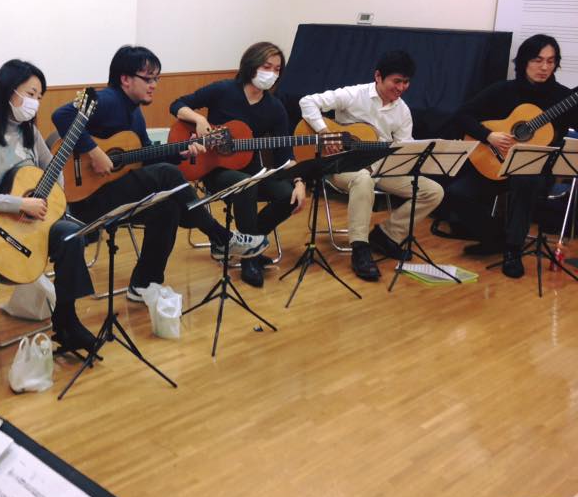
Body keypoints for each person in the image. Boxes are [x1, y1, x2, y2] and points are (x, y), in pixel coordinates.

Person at [52, 45, 268, 302]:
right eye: (148, 78)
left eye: (157, 79)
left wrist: (181, 153)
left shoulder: (135, 113)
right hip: (87, 199)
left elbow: (146, 157)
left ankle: (144, 284)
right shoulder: (108, 100)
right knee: (166, 174)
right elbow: (61, 115)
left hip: (116, 193)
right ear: (125, 79)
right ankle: (221, 237)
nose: (154, 85)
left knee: (168, 206)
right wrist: (95, 152)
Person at [0, 59, 96, 380]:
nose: (35, 102)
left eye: (40, 96)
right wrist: (18, 204)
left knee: (71, 235)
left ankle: (66, 321)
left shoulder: (31, 134)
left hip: (30, 229)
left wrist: (45, 198)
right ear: (8, 91)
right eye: (30, 93)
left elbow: (55, 176)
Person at [299, 50, 444, 281]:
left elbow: (404, 148)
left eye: (406, 82)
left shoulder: (403, 111)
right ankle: (360, 247)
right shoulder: (354, 95)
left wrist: (412, 153)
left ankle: (386, 236)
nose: (402, 88)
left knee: (433, 191)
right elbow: (307, 101)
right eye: (397, 81)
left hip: (381, 168)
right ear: (378, 76)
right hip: (342, 165)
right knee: (362, 178)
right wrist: (325, 133)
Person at [170, 42, 305, 288]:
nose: (272, 74)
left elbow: (284, 152)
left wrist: (299, 181)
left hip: (252, 171)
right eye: (267, 67)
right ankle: (249, 259)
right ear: (251, 65)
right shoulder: (224, 90)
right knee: (245, 185)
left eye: (277, 70)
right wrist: (198, 119)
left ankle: (242, 243)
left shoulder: (274, 107)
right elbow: (177, 104)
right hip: (214, 169)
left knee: (288, 196)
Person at [448, 34, 578, 278]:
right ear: (524, 61)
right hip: (496, 164)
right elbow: (462, 115)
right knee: (456, 193)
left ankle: (513, 250)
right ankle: (496, 237)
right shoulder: (504, 90)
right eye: (538, 60)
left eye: (550, 61)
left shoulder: (565, 98)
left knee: (525, 181)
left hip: (537, 171)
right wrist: (488, 135)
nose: (544, 67)